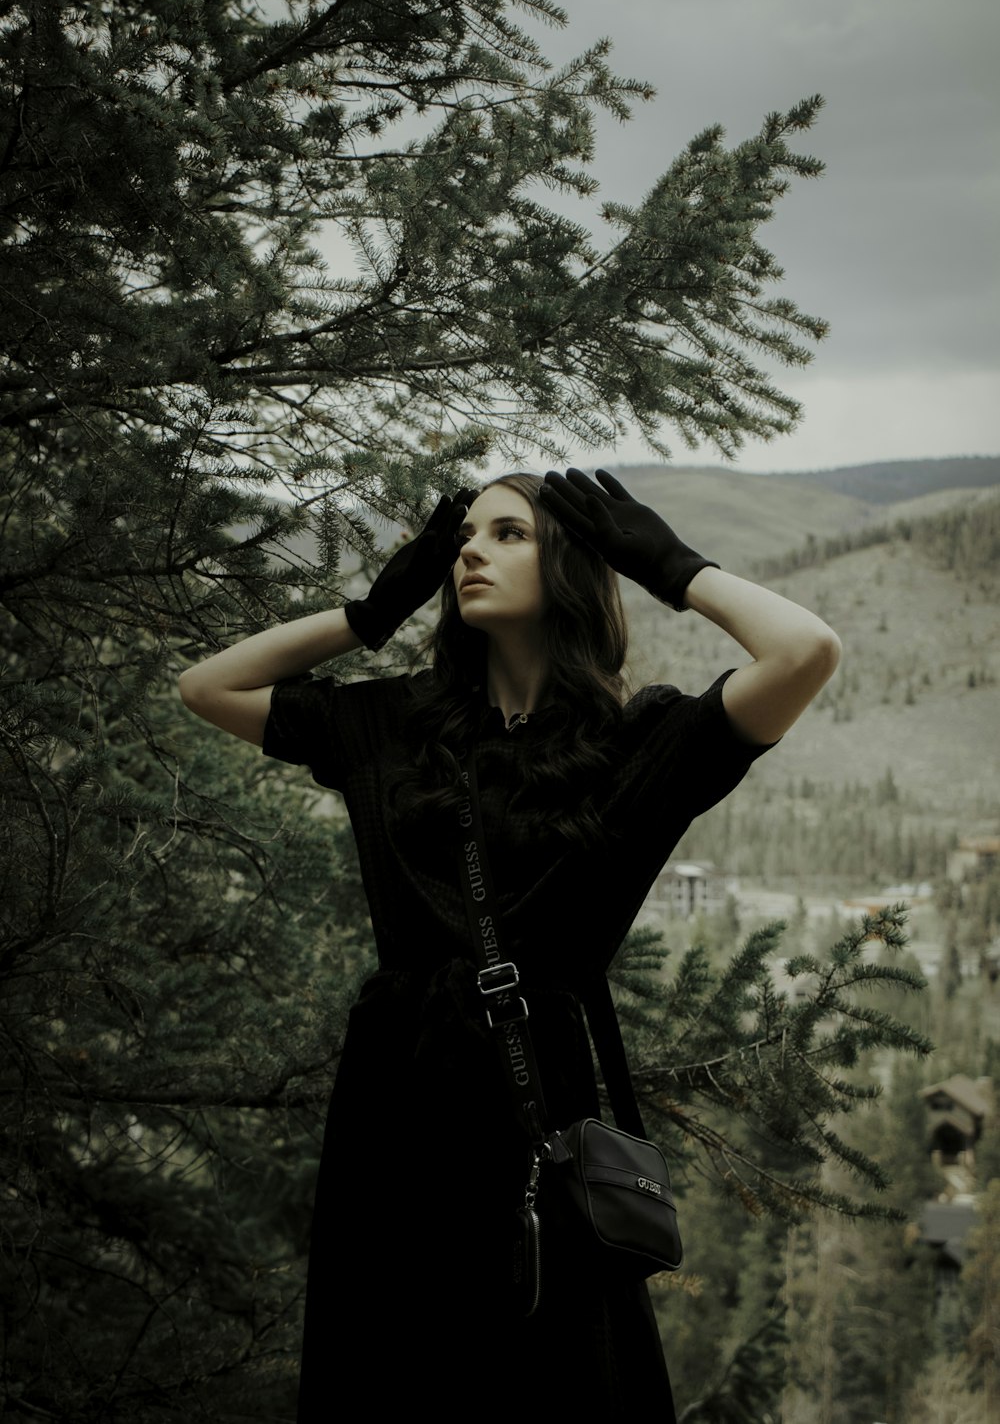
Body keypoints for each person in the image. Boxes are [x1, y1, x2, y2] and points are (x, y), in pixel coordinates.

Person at [178, 468, 841, 1419]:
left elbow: (806, 651)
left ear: (570, 565)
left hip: (540, 1110)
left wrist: (669, 564)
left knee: (549, 1378)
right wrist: (370, 612)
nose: (470, 553)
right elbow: (207, 685)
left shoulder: (635, 746)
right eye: (463, 539)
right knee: (390, 1374)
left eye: (509, 534)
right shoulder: (395, 725)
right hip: (395, 1100)